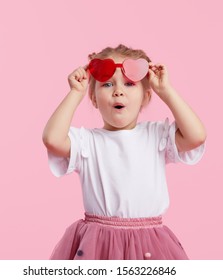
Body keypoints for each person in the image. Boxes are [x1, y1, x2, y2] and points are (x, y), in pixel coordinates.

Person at [42, 44, 206, 260]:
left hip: (150, 243)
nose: (118, 90)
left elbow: (196, 137)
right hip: (98, 245)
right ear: (93, 99)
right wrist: (75, 92)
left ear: (146, 97)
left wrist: (166, 92)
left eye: (129, 84)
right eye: (107, 84)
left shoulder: (156, 135)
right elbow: (52, 139)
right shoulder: (87, 142)